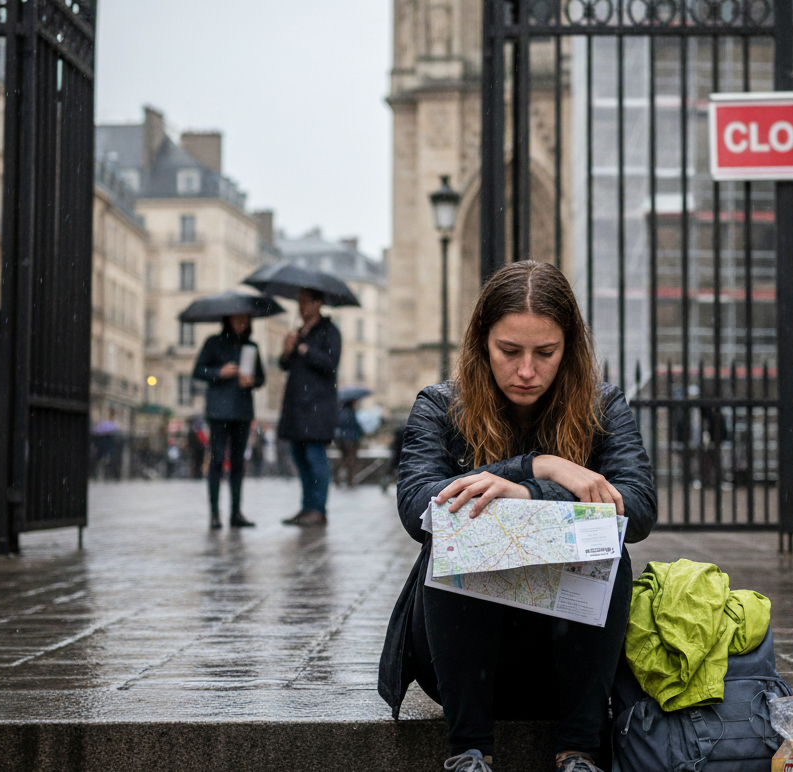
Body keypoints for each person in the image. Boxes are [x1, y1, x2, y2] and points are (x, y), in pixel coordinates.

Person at [381, 261, 657, 772]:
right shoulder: (439, 405)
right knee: (457, 531)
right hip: (460, 662)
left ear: (568, 349)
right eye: (509, 351)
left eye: (545, 353)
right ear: (481, 344)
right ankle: (468, 752)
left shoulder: (603, 407)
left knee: (606, 541)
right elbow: (417, 505)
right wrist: (539, 466)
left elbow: (637, 510)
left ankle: (580, 752)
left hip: (569, 665)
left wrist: (529, 492)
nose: (526, 371)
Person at [192, 313, 265, 529]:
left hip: (242, 411)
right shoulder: (213, 343)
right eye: (236, 319)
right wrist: (219, 372)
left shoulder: (251, 347)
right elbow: (198, 370)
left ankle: (236, 512)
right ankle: (214, 513)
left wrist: (251, 381)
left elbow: (261, 377)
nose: (240, 323)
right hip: (218, 411)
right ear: (228, 320)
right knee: (216, 460)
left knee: (238, 463)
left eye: (244, 320)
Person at [278, 288, 341, 526]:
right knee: (300, 458)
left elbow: (330, 363)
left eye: (305, 301)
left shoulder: (330, 331)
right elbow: (284, 365)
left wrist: (305, 349)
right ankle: (306, 507)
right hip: (296, 407)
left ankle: (318, 509)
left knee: (315, 458)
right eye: (299, 301)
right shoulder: (298, 332)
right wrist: (287, 351)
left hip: (317, 408)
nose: (301, 306)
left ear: (318, 303)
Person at [334, 399, 362, 488]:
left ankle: (339, 477)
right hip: (351, 439)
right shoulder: (350, 413)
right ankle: (350, 480)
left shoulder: (340, 412)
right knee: (351, 459)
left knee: (344, 458)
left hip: (340, 439)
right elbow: (354, 425)